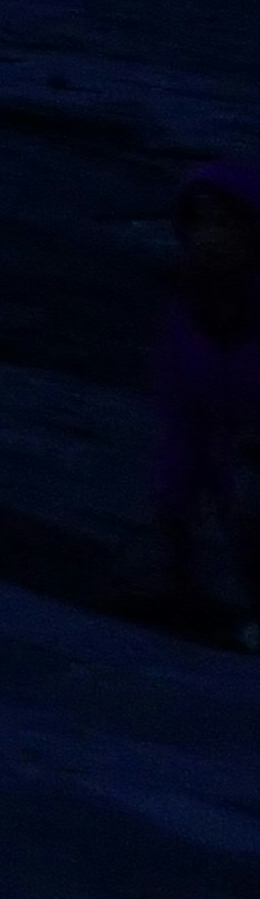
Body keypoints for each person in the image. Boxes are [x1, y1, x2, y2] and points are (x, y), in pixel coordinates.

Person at [154, 161, 260, 651]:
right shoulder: (186, 316)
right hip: (232, 490)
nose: (211, 236)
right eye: (200, 222)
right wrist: (174, 502)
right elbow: (182, 418)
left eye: (225, 222)